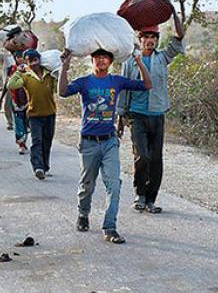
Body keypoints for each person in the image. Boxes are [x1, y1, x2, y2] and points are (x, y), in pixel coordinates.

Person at [58, 47, 152, 244]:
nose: (101, 61)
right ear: (92, 61)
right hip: (89, 142)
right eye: (97, 58)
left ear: (110, 62)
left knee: (114, 185)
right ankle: (83, 214)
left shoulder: (116, 81)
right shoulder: (84, 82)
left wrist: (139, 61)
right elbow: (63, 92)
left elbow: (147, 84)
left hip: (109, 142)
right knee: (87, 185)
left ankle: (110, 227)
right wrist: (64, 66)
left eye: (105, 58)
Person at [116, 11, 184, 213]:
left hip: (157, 115)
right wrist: (120, 119)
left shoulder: (163, 58)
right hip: (136, 115)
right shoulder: (129, 62)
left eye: (153, 36)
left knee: (156, 159)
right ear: (140, 39)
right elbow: (123, 90)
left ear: (157, 40)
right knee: (142, 156)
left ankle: (151, 199)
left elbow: (179, 38)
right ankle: (140, 194)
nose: (150, 40)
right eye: (146, 36)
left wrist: (173, 13)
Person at [7, 49, 58, 175]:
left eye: (35, 60)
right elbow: (11, 85)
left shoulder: (49, 75)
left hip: (50, 113)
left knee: (47, 141)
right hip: (34, 115)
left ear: (39, 60)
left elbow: (58, 88)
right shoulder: (26, 76)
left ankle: (44, 167)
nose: (33, 64)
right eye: (30, 61)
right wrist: (18, 72)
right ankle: (37, 167)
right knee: (37, 141)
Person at [4, 51, 29, 154]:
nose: (18, 59)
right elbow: (8, 84)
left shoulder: (29, 69)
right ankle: (21, 144)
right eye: (16, 57)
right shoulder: (12, 69)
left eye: (20, 57)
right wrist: (2, 99)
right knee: (18, 123)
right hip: (16, 101)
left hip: (28, 100)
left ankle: (24, 141)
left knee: (26, 123)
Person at [0, 36, 16, 130]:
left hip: (20, 84)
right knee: (8, 105)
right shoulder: (6, 57)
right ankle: (10, 123)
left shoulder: (21, 55)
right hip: (9, 84)